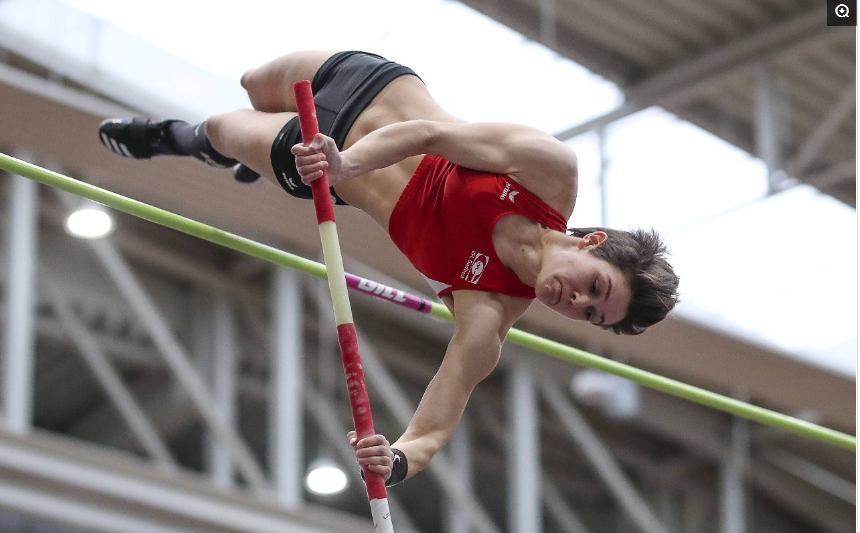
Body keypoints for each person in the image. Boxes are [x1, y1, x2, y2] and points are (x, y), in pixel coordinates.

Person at [98, 50, 680, 488]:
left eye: (592, 316)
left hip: (318, 167)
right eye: (595, 288)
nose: (575, 304)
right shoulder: (550, 173)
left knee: (225, 128)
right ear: (593, 243)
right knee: (253, 84)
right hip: (372, 89)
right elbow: (430, 134)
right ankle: (238, 156)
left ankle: (186, 140)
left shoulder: (488, 313)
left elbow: (433, 428)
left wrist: (395, 459)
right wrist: (345, 159)